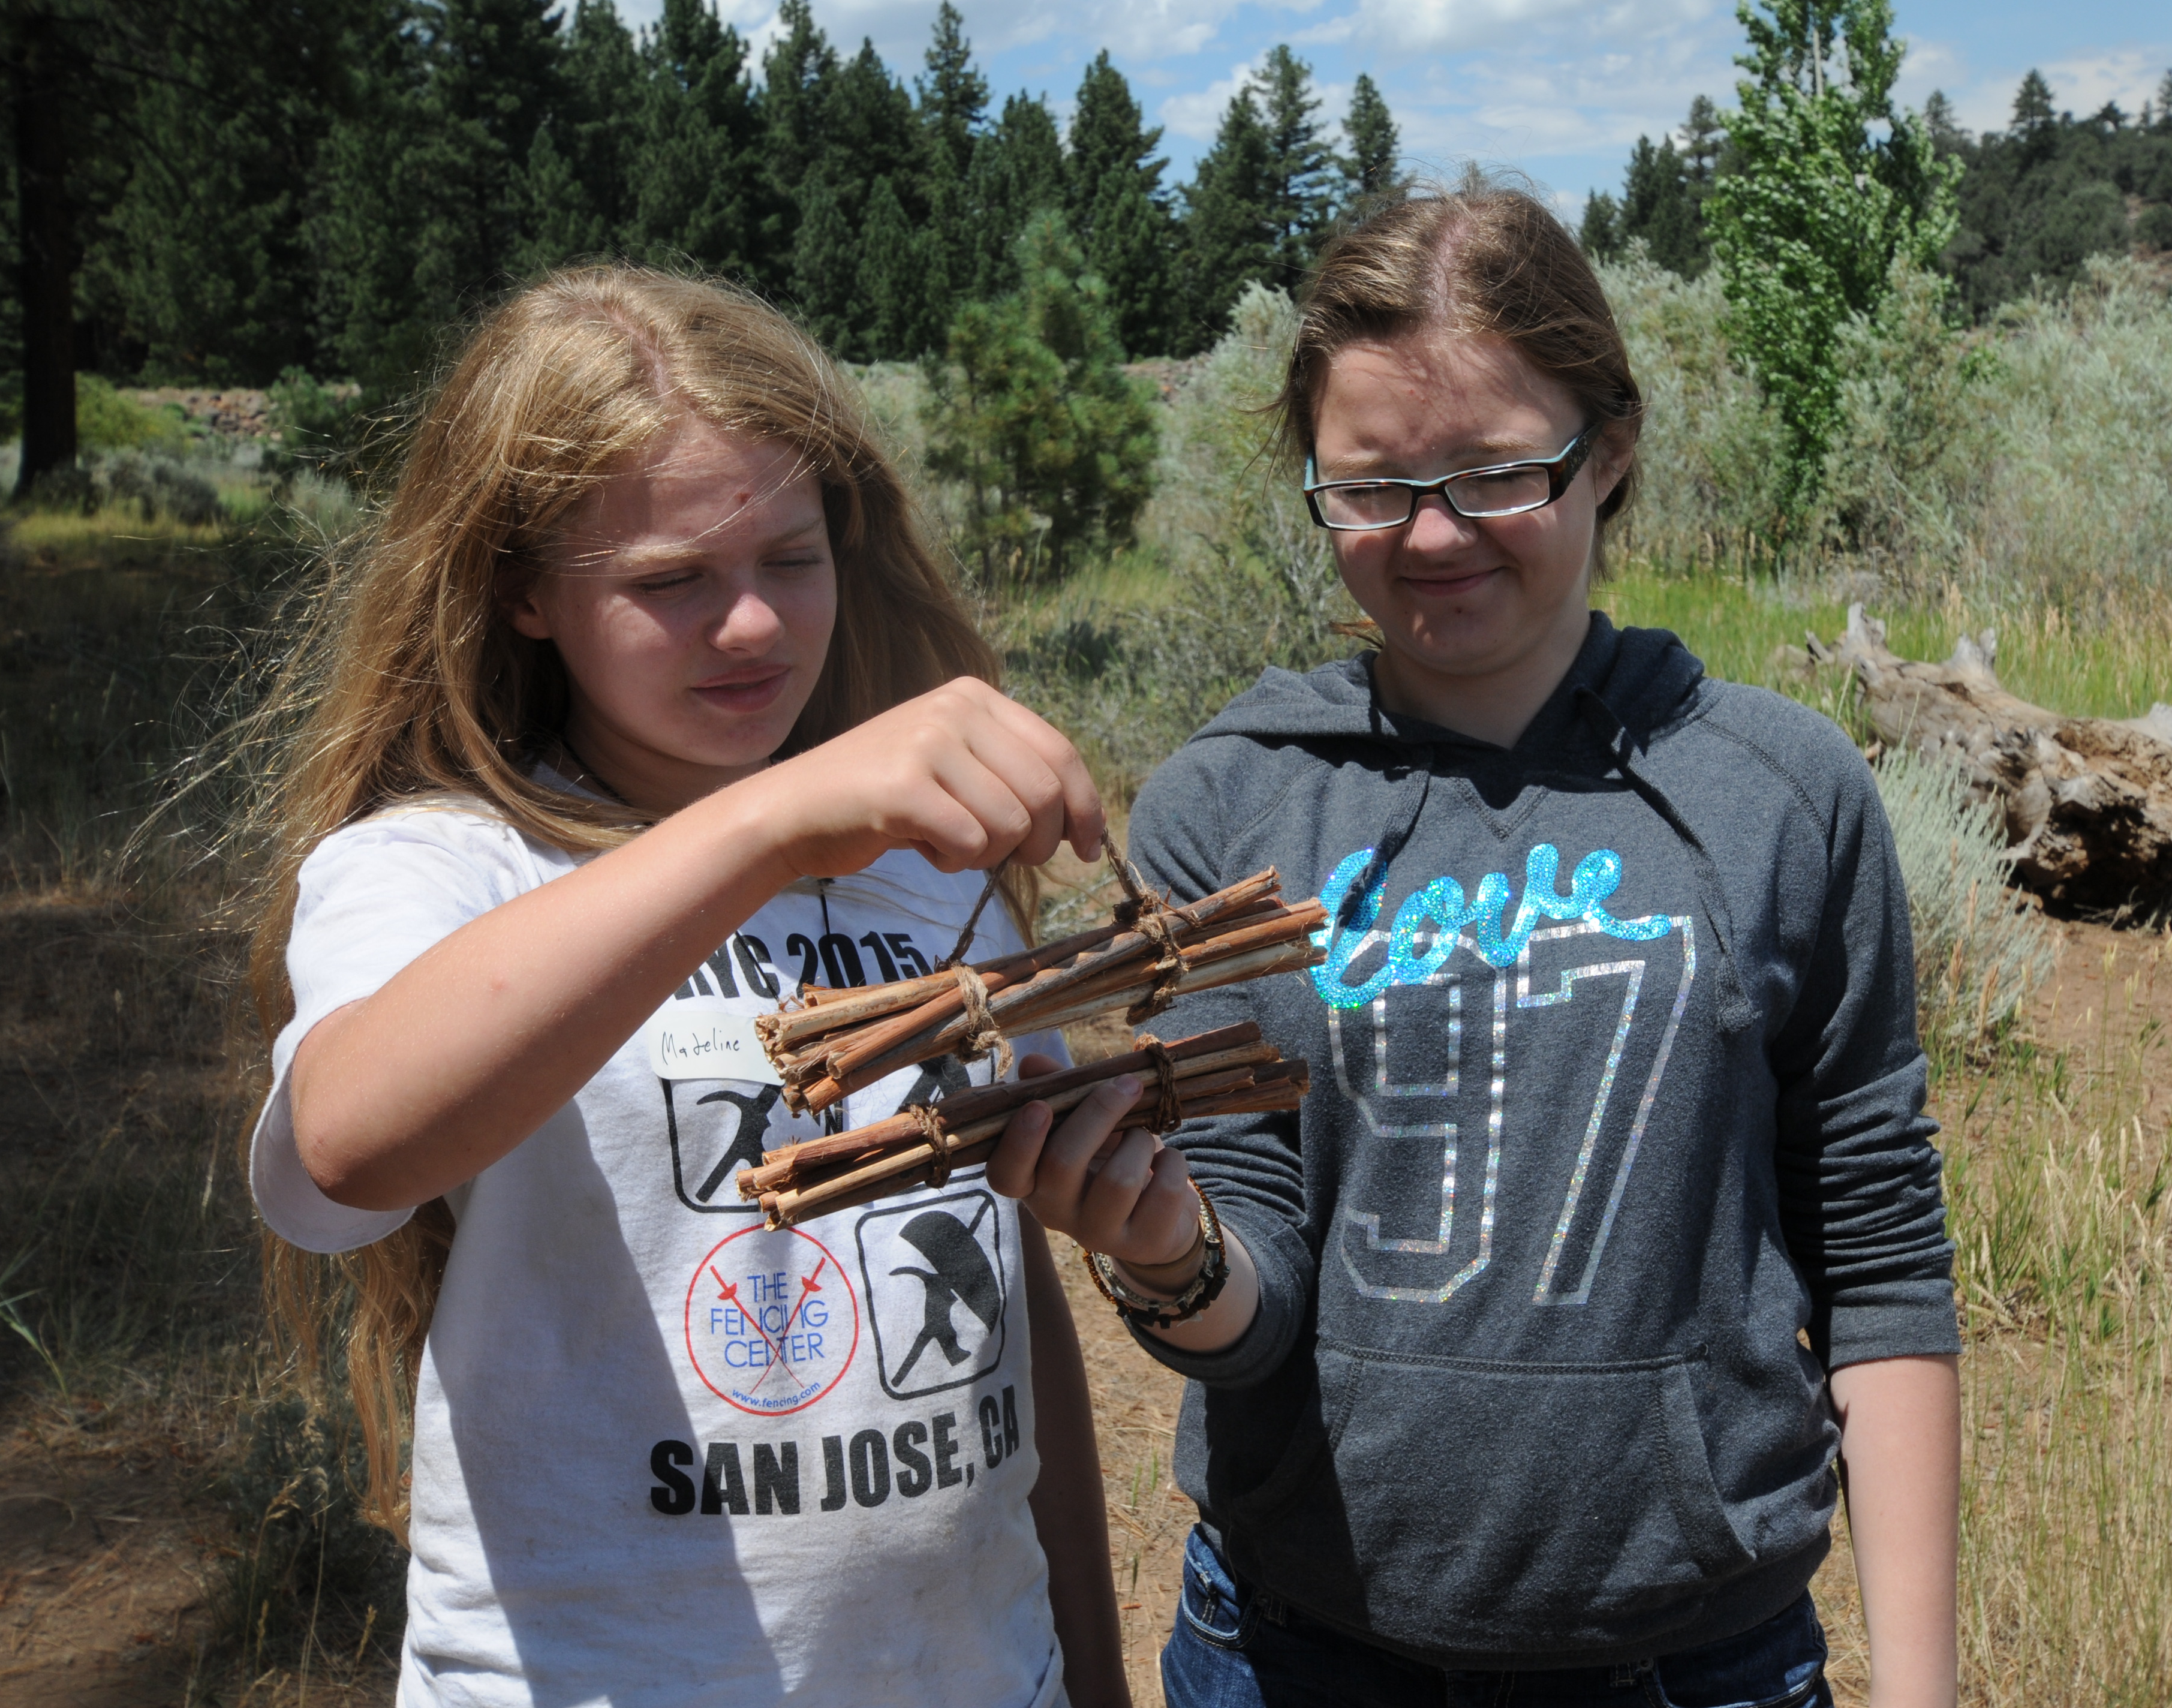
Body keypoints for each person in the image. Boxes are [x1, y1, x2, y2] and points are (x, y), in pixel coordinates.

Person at [987, 188, 1962, 1706]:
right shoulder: (1229, 803)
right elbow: (1249, 1318)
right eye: (1368, 488)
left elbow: (1878, 1244)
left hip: (1690, 1660)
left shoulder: (1778, 792)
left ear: (1611, 448)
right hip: (1295, 1650)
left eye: (1493, 471)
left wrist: (1921, 1688)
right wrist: (1164, 1253)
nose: (1428, 537)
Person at [245, 266, 1129, 1707]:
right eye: (669, 581)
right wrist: (767, 821)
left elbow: (1008, 1311)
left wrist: (1089, 1673)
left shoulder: (926, 867)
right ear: (522, 589)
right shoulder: (445, 863)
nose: (755, 628)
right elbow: (343, 1153)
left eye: (793, 557)